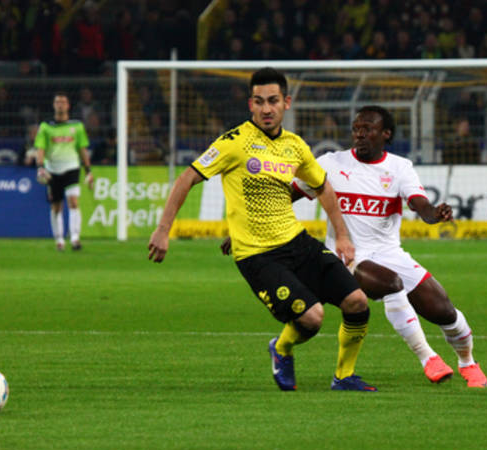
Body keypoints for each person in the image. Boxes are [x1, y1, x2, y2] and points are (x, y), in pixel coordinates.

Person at [148, 67, 376, 392]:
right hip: (258, 256)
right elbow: (187, 178)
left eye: (273, 101)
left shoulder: (295, 146)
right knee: (312, 318)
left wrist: (342, 235)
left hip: (297, 242)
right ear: (250, 104)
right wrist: (163, 229)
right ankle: (281, 348)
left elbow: (322, 187)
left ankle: (344, 376)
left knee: (357, 301)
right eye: (259, 101)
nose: (266, 108)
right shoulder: (234, 142)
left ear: (286, 103)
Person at [292, 106, 487, 388]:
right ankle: (428, 358)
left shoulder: (399, 167)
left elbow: (420, 205)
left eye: (368, 129)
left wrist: (435, 214)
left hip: (389, 253)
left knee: (444, 311)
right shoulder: (330, 163)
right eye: (356, 129)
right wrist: (248, 226)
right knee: (391, 284)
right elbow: (286, 195)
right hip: (347, 255)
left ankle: (468, 363)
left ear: (386, 134)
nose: (360, 134)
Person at [34, 92, 94, 251]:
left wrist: (88, 170)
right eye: (57, 102)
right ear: (54, 105)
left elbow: (82, 149)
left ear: (68, 105)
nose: (60, 105)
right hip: (53, 170)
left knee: (73, 202)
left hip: (72, 167)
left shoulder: (77, 126)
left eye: (63, 102)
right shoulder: (46, 127)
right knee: (56, 206)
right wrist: (40, 167)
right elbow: (40, 148)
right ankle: (59, 239)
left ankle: (75, 238)